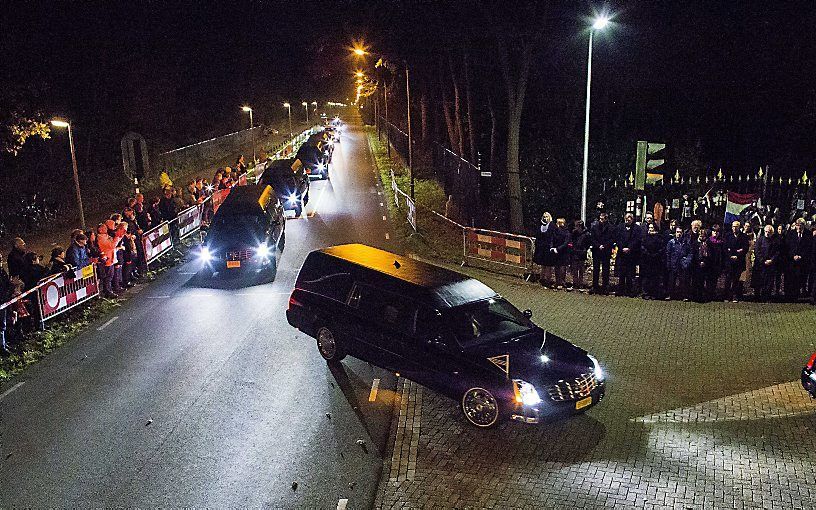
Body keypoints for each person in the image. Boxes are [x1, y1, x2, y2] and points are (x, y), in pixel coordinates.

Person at [615, 213, 642, 297]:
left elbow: (637, 240)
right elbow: (617, 238)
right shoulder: (619, 227)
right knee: (622, 273)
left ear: (632, 219)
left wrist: (629, 248)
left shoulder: (637, 228)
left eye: (630, 218)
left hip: (631, 254)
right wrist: (622, 247)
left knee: (630, 273)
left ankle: (629, 291)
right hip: (621, 254)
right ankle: (621, 290)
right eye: (627, 218)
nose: (628, 219)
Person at [784, 218, 811, 301]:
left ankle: (796, 295)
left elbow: (809, 248)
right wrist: (793, 256)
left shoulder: (808, 235)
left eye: (800, 225)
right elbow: (787, 247)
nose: (798, 227)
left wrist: (801, 256)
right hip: (791, 261)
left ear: (804, 225)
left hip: (802, 261)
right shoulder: (790, 234)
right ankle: (788, 295)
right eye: (797, 225)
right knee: (790, 278)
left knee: (799, 278)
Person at [752, 225, 780, 302]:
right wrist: (763, 261)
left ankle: (767, 297)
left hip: (770, 265)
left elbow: (777, 252)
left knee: (769, 282)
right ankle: (757, 297)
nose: (767, 233)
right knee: (758, 281)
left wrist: (771, 260)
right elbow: (757, 251)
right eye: (766, 232)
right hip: (760, 265)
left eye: (769, 232)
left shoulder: (775, 241)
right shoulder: (760, 240)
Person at [723, 221, 748, 302]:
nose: (734, 228)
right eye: (733, 226)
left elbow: (745, 248)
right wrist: (731, 255)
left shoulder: (743, 236)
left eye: (736, 226)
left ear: (739, 227)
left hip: (739, 262)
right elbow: (725, 248)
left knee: (736, 280)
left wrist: (737, 255)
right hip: (729, 262)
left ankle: (734, 296)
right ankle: (726, 296)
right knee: (728, 279)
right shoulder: (727, 236)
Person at [589, 212, 614, 294]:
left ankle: (605, 286)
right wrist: (598, 245)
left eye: (602, 219)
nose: (600, 220)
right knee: (596, 269)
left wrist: (605, 246)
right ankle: (595, 285)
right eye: (600, 219)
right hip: (597, 250)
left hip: (606, 250)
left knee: (605, 269)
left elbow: (612, 239)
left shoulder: (610, 228)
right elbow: (592, 238)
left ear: (606, 219)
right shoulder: (595, 227)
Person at [640, 223, 665, 299]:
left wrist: (656, 254)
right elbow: (642, 246)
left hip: (656, 260)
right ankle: (646, 293)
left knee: (655, 278)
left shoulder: (659, 237)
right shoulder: (645, 237)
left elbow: (662, 248)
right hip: (646, 260)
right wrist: (647, 253)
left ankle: (654, 294)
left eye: (652, 227)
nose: (650, 229)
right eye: (649, 227)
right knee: (646, 278)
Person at [665, 227, 689, 301]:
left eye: (680, 232)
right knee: (671, 281)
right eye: (677, 232)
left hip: (682, 264)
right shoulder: (671, 242)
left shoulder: (685, 242)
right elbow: (668, 253)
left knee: (683, 281)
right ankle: (669, 295)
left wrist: (686, 261)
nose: (679, 234)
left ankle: (683, 296)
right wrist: (668, 263)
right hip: (673, 264)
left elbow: (689, 252)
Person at [533, 212, 554, 287]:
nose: (545, 218)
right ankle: (542, 278)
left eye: (547, 217)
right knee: (542, 265)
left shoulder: (552, 226)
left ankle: (548, 280)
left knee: (548, 265)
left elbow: (552, 237)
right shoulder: (540, 226)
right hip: (541, 248)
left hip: (548, 248)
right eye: (544, 217)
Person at [569, 220, 590, 291]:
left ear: (580, 226)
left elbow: (588, 243)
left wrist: (584, 249)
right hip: (575, 252)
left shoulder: (586, 234)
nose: (575, 228)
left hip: (582, 253)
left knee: (581, 269)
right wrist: (572, 248)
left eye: (576, 226)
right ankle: (575, 283)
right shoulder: (574, 233)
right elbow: (571, 241)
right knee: (574, 269)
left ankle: (580, 284)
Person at [551, 218, 571, 290]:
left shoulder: (565, 233)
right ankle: (559, 281)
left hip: (563, 252)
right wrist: (553, 247)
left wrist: (556, 248)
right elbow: (552, 239)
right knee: (559, 267)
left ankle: (560, 282)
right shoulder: (561, 232)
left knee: (561, 267)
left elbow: (565, 243)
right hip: (558, 250)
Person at [0, 252, 14, 355]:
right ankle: (2, 347)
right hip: (1, 301)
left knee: (3, 324)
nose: (1, 261)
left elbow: (7, 284)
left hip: (4, 301)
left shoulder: (2, 271)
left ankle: (3, 344)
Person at [706, 226, 724, 300]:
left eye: (717, 231)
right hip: (709, 263)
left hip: (717, 263)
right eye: (714, 231)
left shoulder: (721, 242)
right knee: (708, 279)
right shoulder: (708, 241)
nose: (715, 233)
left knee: (715, 279)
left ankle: (713, 293)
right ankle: (708, 293)